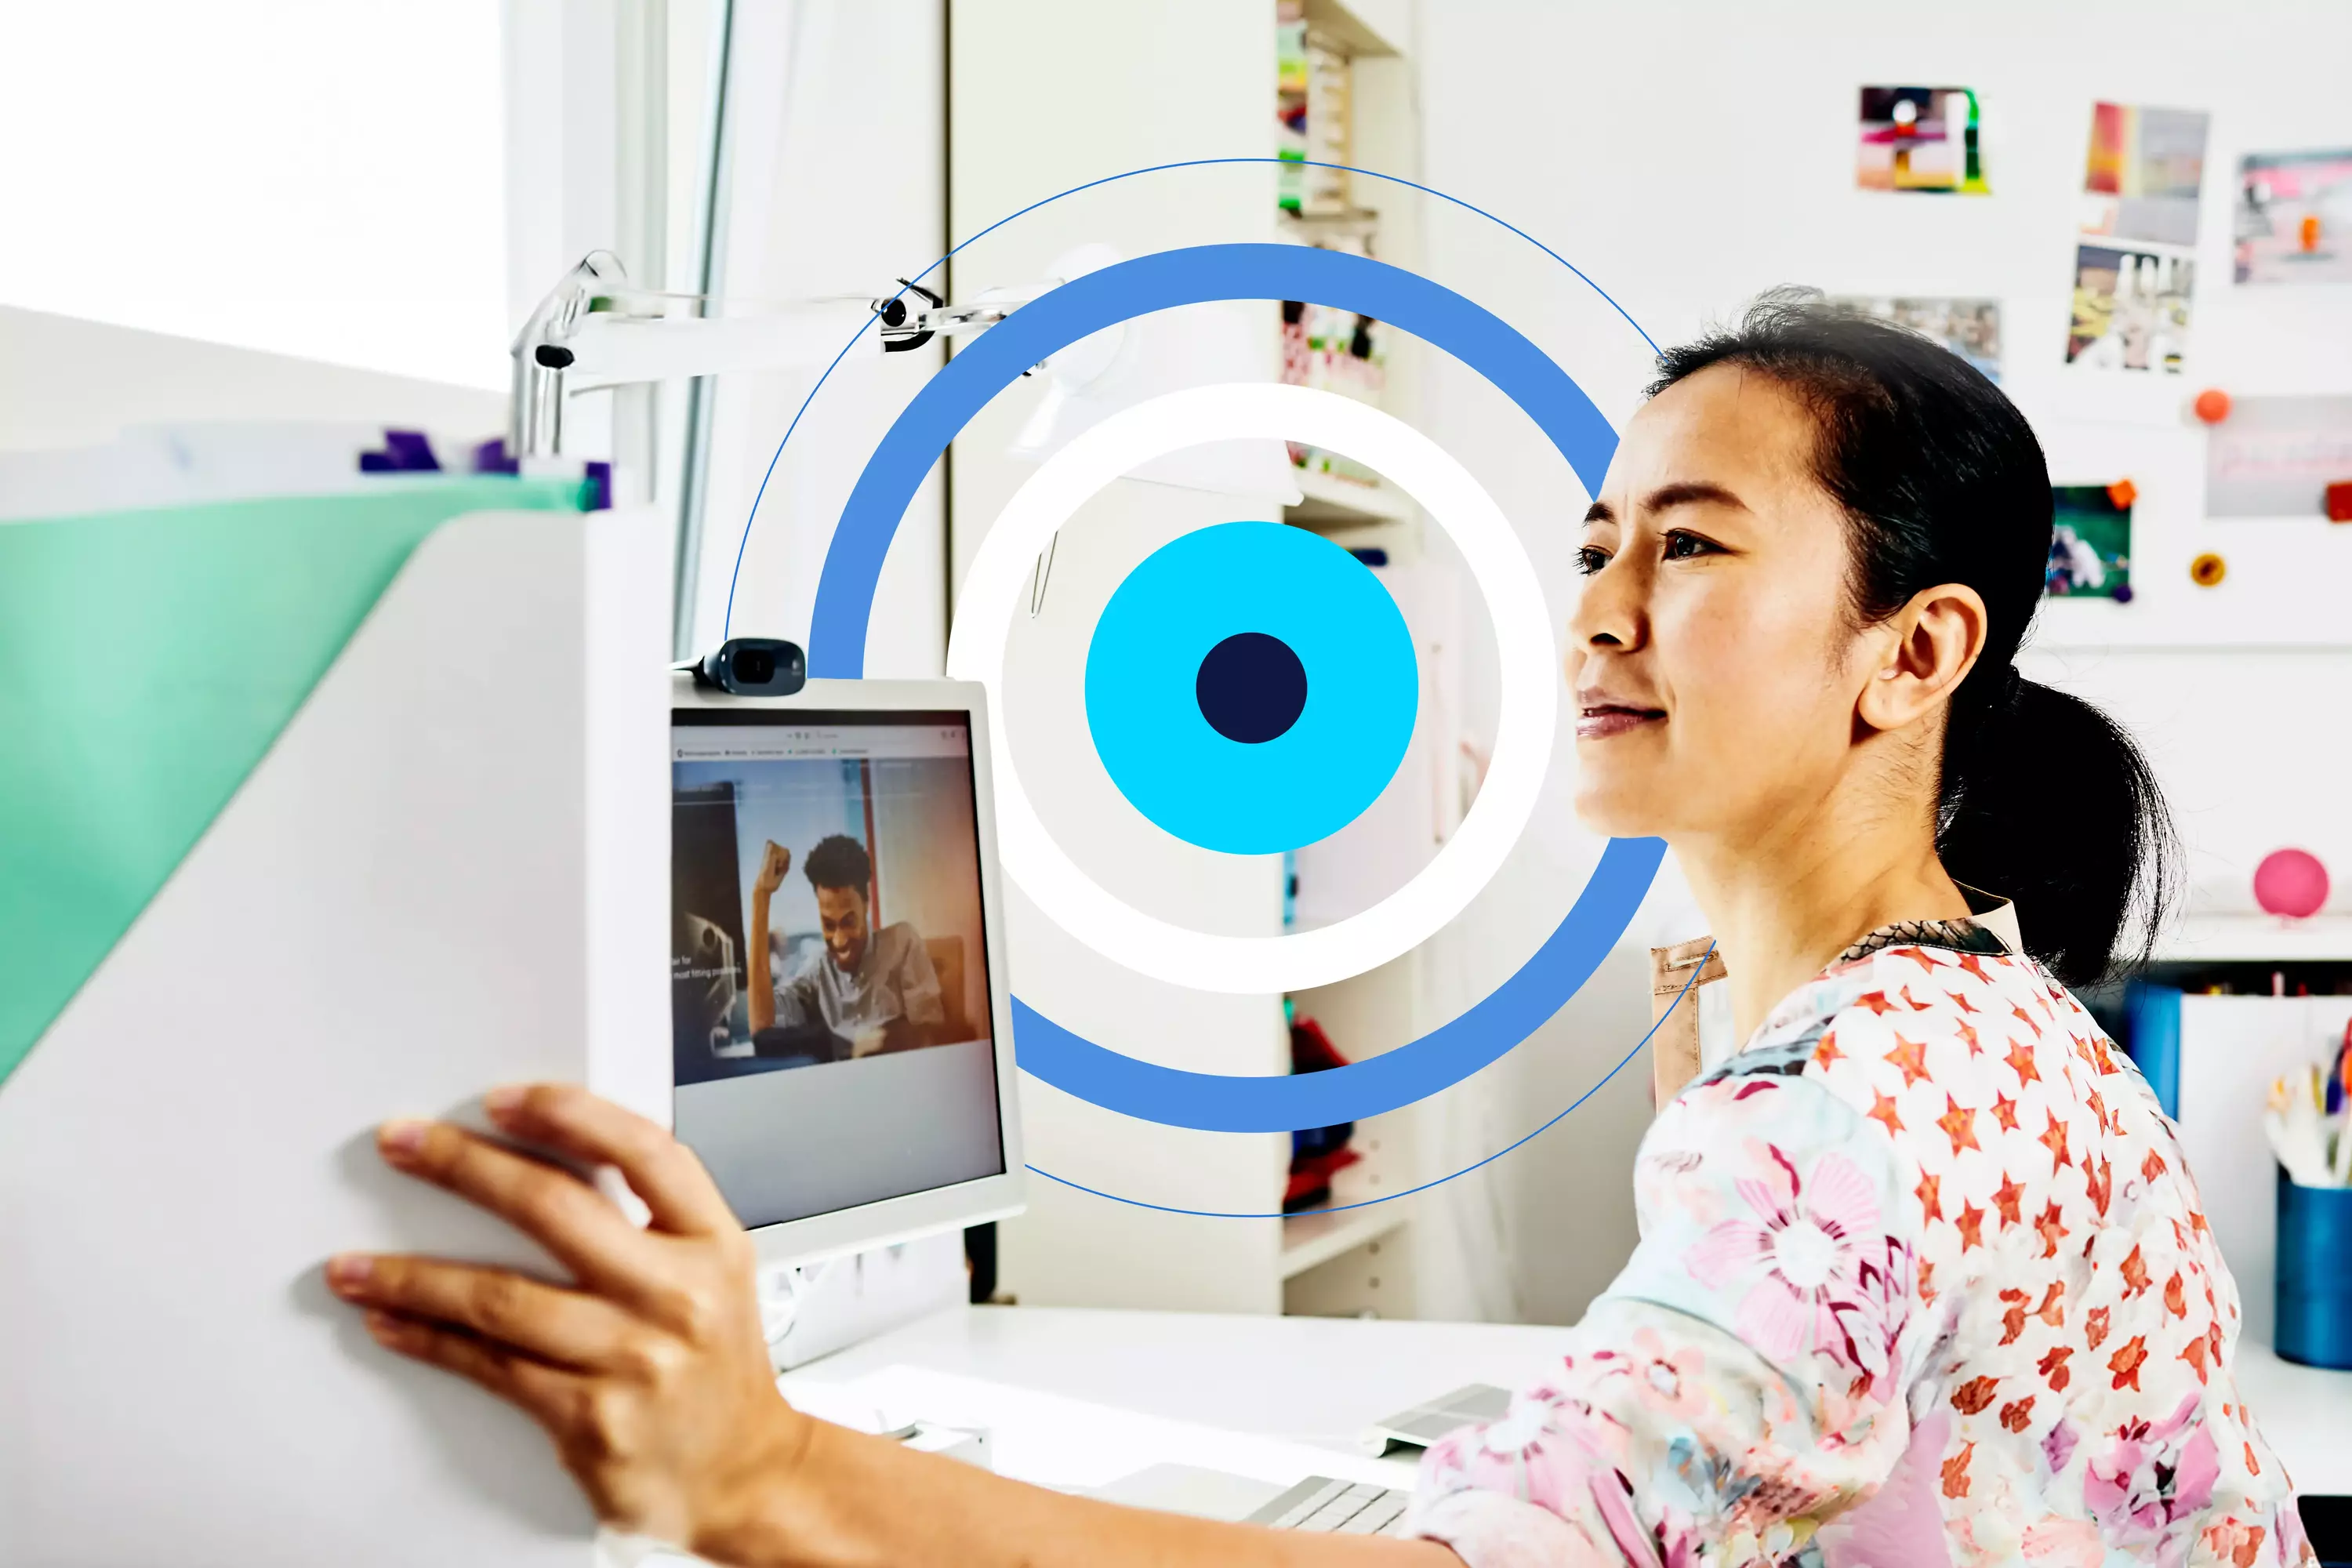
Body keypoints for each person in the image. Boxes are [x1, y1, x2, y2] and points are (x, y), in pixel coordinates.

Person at [325, 293, 2312, 1567]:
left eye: (1688, 543)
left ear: (1917, 648)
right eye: (1594, 544)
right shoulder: (1986, 1012)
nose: (1601, 606)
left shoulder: (1860, 1092)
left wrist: (761, 1469)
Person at [744, 833, 946, 1061]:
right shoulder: (817, 971)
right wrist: (761, 895)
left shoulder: (902, 942)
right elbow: (762, 1028)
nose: (839, 940)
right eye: (829, 925)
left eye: (849, 922)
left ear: (866, 904)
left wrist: (878, 1041)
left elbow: (931, 1037)